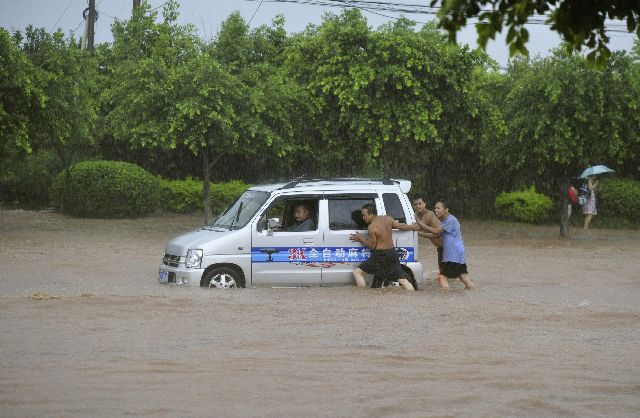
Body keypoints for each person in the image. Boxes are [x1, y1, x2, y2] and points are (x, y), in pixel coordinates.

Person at [349, 203, 417, 291]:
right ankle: (413, 296)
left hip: (380, 256)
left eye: (364, 215)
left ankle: (363, 295)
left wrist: (361, 239)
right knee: (403, 280)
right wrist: (413, 227)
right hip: (392, 253)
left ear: (371, 214)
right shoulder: (387, 218)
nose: (363, 218)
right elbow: (400, 226)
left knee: (357, 272)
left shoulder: (372, 227)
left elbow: (372, 246)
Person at [416, 199, 475, 290]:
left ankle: (446, 296)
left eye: (439, 208)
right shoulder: (445, 221)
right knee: (463, 277)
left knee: (442, 277)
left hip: (452, 253)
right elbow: (434, 235)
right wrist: (419, 233)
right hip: (457, 253)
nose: (436, 210)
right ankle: (471, 291)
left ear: (446, 210)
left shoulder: (450, 220)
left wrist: (422, 225)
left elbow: (436, 231)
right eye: (435, 208)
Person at [412, 196, 444, 280]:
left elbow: (416, 228)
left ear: (425, 204)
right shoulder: (415, 215)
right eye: (415, 204)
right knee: (444, 275)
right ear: (413, 206)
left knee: (447, 276)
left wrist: (418, 233)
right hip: (441, 248)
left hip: (448, 248)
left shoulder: (429, 215)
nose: (418, 206)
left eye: (420, 203)